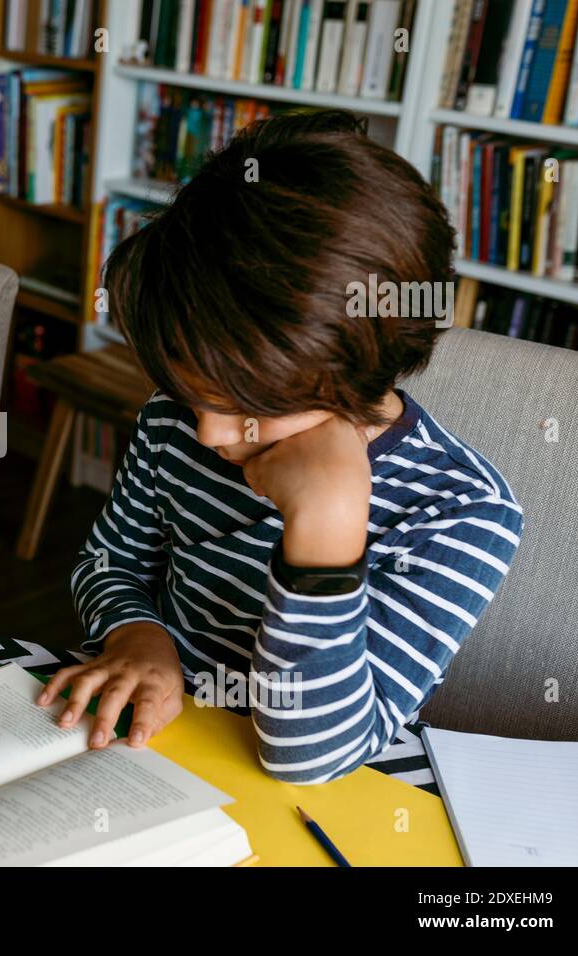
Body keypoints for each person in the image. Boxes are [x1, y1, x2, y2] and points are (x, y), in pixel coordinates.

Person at [42, 110, 523, 784]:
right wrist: (139, 637)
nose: (208, 433)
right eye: (191, 393)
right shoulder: (176, 421)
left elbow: (312, 757)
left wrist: (326, 527)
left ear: (360, 358)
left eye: (248, 402)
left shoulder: (460, 512)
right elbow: (109, 560)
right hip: (154, 755)